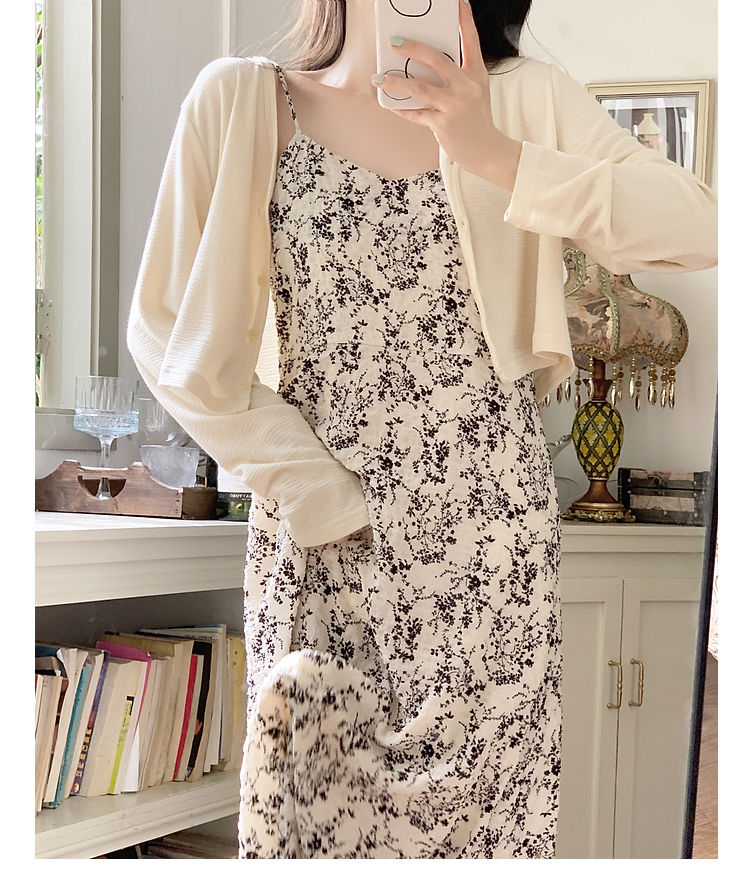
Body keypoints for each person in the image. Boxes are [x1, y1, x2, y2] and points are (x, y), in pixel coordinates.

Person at [126, 0, 718, 858]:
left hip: (490, 558)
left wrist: (495, 152)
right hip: (323, 552)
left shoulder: (523, 98)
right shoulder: (246, 102)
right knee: (310, 837)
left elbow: (701, 224)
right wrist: (315, 489)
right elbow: (166, 337)